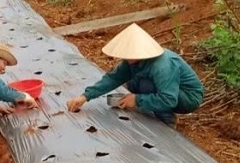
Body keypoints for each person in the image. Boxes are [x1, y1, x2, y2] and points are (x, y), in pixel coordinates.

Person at [66, 23, 204, 126]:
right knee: (133, 83)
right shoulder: (132, 61)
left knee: (146, 86)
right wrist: (85, 96)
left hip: (187, 97)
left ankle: (167, 121)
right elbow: (114, 78)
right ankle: (151, 106)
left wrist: (137, 100)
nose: (126, 57)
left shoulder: (162, 66)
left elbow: (169, 99)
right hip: (170, 92)